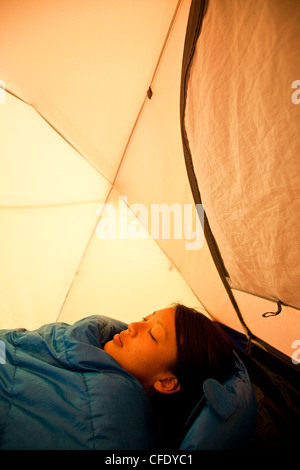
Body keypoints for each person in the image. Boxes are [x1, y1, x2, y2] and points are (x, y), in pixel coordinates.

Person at [104, 303, 236, 448]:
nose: (133, 326)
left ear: (167, 382)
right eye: (144, 319)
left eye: (152, 335)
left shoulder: (113, 432)